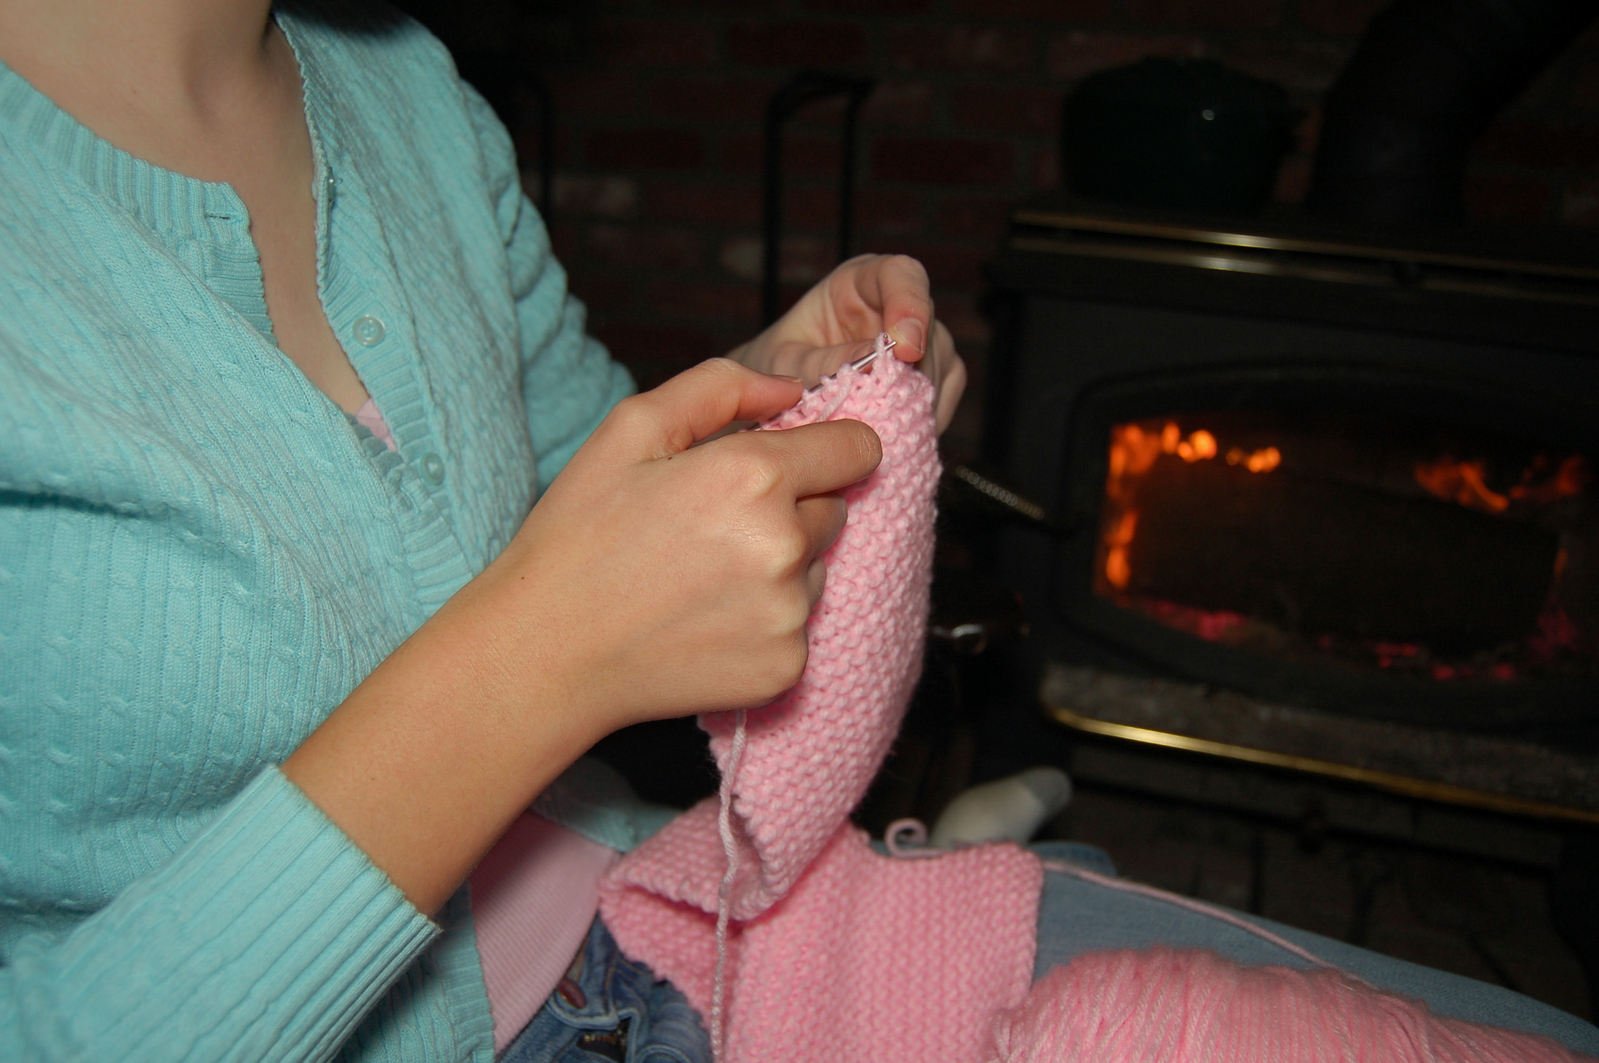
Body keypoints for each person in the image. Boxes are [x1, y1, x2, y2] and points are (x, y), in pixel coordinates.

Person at [1, 2, 1595, 1061]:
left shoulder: (410, 95)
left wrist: (772, 403)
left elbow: (563, 475)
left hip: (651, 926)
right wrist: (539, 664)